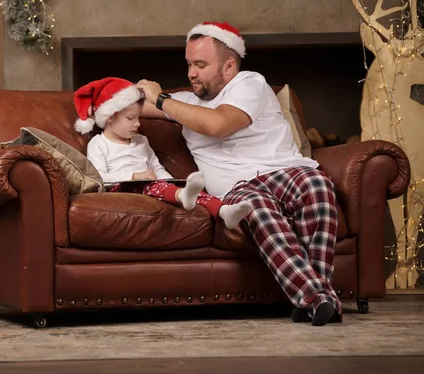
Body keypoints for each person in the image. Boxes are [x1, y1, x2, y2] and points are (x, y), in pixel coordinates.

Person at [135, 22, 341, 326]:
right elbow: (120, 104)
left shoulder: (249, 83)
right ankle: (318, 298)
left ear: (229, 66)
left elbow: (218, 124)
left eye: (201, 65)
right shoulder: (186, 103)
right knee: (255, 207)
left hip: (285, 171)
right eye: (189, 64)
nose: (191, 73)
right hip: (239, 189)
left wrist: (161, 98)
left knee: (318, 185)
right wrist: (137, 92)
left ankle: (310, 298)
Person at [73, 77, 252, 229]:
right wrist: (133, 176)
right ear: (109, 117)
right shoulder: (99, 144)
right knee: (155, 187)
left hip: (150, 185)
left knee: (167, 187)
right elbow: (99, 178)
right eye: (130, 118)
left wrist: (170, 181)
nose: (137, 123)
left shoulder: (141, 140)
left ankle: (223, 211)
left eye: (138, 117)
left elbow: (156, 167)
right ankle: (182, 196)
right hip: (121, 188)